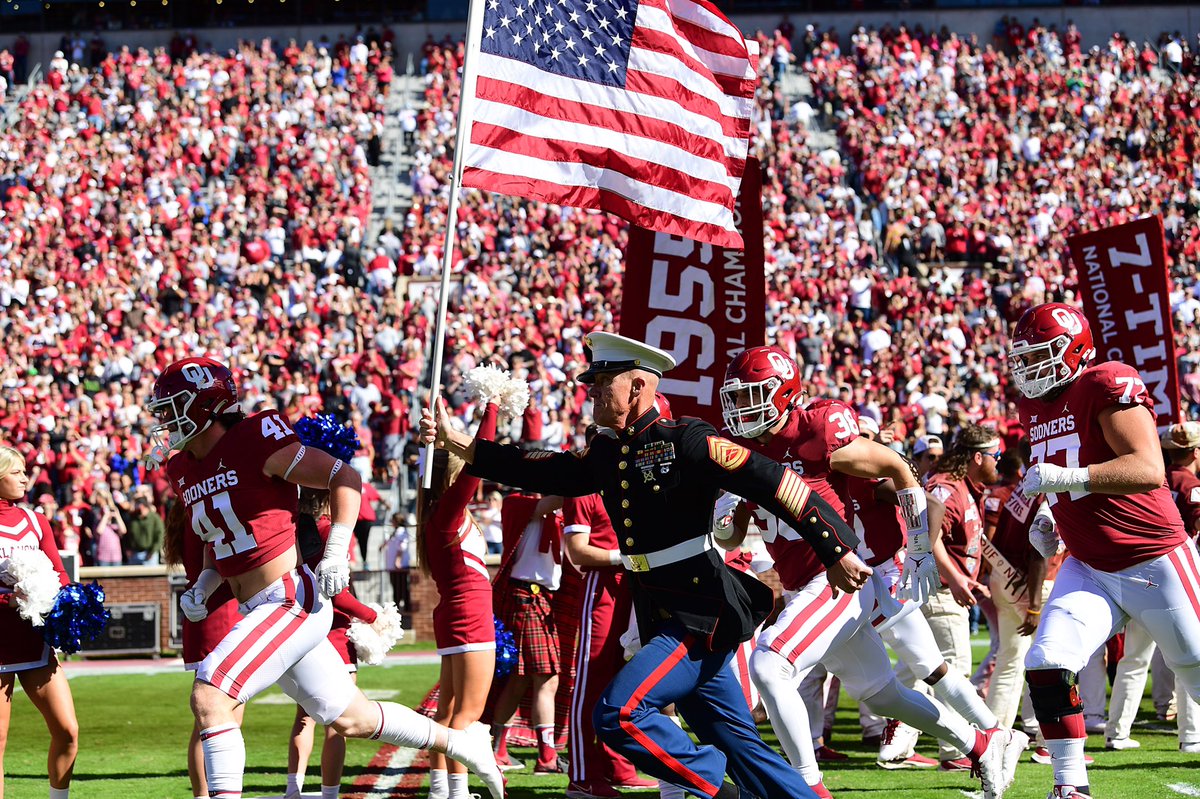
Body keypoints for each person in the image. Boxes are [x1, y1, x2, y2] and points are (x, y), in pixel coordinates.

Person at [423, 331, 873, 799]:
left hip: (699, 613)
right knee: (739, 745)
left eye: (601, 382)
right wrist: (458, 442)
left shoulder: (690, 440)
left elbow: (779, 484)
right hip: (663, 611)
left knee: (618, 714)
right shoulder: (607, 449)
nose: (591, 392)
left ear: (637, 387)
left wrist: (835, 548)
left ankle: (723, 793)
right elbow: (540, 468)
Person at [146, 357, 502, 799]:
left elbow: (343, 475)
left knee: (212, 695)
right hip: (259, 606)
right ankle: (461, 742)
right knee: (354, 718)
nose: (164, 420)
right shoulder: (185, 468)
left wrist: (336, 549)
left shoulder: (254, 439)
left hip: (290, 599)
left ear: (204, 406)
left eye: (172, 406)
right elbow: (228, 539)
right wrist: (204, 583)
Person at [717, 347, 1019, 798]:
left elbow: (897, 466)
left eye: (753, 396)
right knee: (882, 694)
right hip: (806, 584)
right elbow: (732, 537)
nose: (742, 410)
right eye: (736, 399)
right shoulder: (740, 448)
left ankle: (806, 787)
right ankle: (981, 742)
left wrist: (919, 546)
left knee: (770, 662)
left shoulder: (815, 431)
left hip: (840, 575)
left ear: (782, 394)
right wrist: (726, 515)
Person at [1010, 303, 1200, 799]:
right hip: (1089, 564)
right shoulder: (1035, 406)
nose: (1030, 370)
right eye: (1024, 360)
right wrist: (1052, 512)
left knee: (1196, 666)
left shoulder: (1105, 382)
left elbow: (1146, 468)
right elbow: (1062, 470)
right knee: (1048, 661)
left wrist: (1067, 479)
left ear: (1072, 349)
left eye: (1039, 357)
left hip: (1153, 557)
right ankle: (1070, 787)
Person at [418, 371, 513, 799]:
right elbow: (480, 463)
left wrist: (442, 430)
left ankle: (446, 790)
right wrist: (491, 405)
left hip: (455, 615)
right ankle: (458, 789)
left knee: (449, 713)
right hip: (470, 616)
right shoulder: (449, 513)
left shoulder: (436, 517)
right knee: (468, 719)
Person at [563, 424, 655, 799]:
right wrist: (624, 557)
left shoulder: (627, 481)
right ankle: (582, 775)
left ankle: (618, 764)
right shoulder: (583, 487)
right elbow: (577, 550)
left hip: (633, 585)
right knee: (592, 678)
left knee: (624, 676)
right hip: (602, 587)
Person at [0, 445, 78, 799]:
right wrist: (8, 598)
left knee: (67, 732)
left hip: (35, 642)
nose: (24, 478)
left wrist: (67, 606)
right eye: (15, 471)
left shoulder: (35, 520)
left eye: (24, 471)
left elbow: (59, 573)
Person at [922, 423, 1000, 769]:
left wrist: (972, 576)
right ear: (978, 457)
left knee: (924, 673)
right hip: (939, 591)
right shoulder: (946, 489)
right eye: (995, 456)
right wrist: (956, 579)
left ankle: (897, 743)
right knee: (954, 672)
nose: (999, 462)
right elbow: (929, 537)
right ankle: (954, 752)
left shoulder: (966, 487)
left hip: (950, 588)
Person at [163, 500, 242, 799]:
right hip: (217, 614)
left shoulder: (185, 514)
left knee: (213, 720)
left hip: (208, 614)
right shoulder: (202, 516)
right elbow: (221, 565)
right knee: (214, 720)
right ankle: (205, 794)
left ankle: (209, 793)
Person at [489, 490, 565, 774]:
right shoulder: (516, 502)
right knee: (547, 678)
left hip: (541, 598)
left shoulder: (554, 512)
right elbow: (556, 499)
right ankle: (546, 756)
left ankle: (498, 749)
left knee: (520, 679)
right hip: (526, 595)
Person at [126, 495, 165, 566]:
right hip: (134, 554)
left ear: (143, 506)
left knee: (150, 576)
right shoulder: (133, 518)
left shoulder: (155, 518)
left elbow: (160, 536)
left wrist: (153, 551)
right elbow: (128, 535)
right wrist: (128, 548)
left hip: (150, 555)